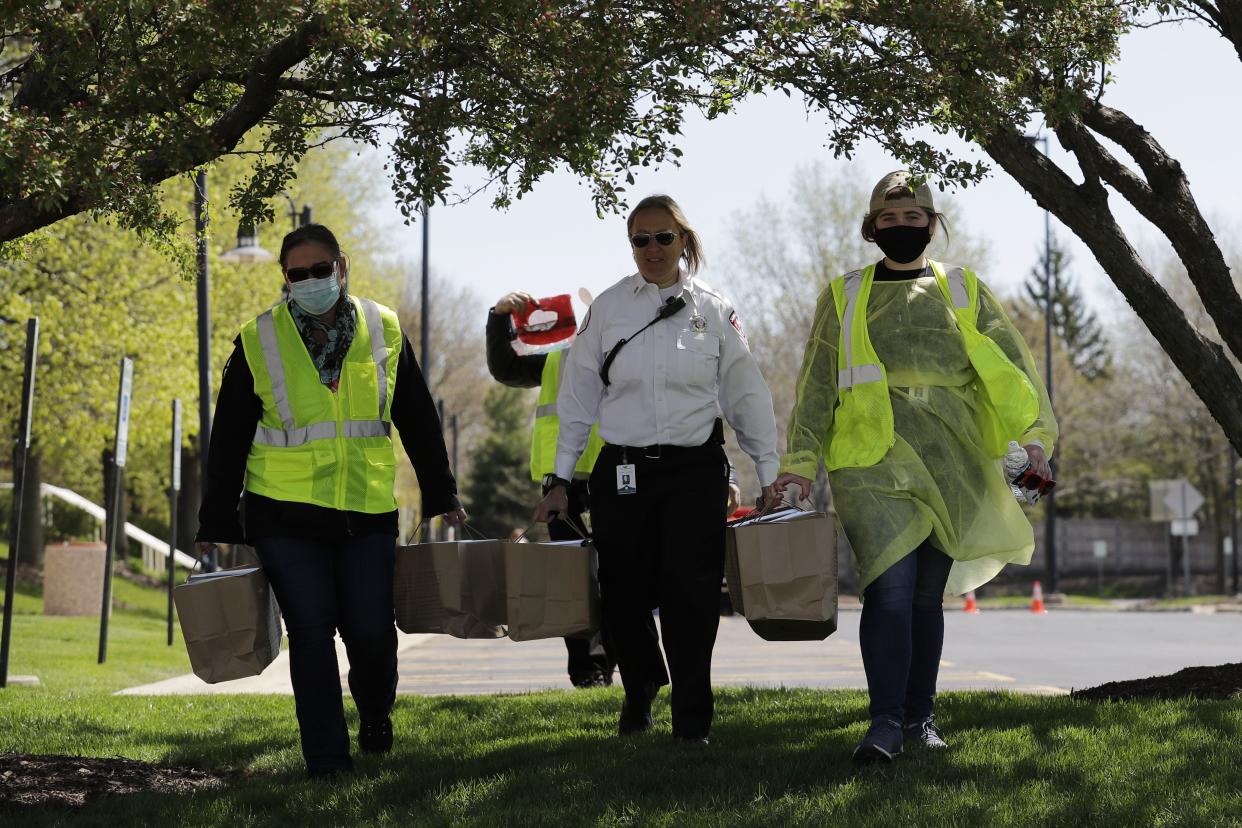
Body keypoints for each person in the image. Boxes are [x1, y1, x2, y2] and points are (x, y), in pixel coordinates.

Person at [772, 171, 1057, 763]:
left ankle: (920, 719)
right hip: (869, 462)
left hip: (952, 458)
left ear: (932, 224)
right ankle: (884, 722)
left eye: (913, 218)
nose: (901, 227)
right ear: (872, 227)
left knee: (926, 597)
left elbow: (1013, 372)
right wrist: (799, 464)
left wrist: (1032, 441)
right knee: (889, 591)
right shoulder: (845, 294)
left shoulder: (963, 289)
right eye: (888, 219)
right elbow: (817, 386)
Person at [195, 224, 464, 778]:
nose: (312, 281)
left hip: (365, 511)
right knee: (312, 634)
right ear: (285, 280)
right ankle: (326, 760)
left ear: (341, 268)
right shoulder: (258, 339)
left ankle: (374, 712)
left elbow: (416, 415)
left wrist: (441, 492)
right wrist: (216, 517)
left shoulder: (382, 326)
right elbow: (228, 437)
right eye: (299, 274)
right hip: (283, 514)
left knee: (370, 631)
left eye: (322, 270)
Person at [534, 194, 781, 745]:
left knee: (691, 595)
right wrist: (560, 479)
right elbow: (577, 398)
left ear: (684, 241)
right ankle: (641, 686)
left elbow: (747, 397)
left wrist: (770, 473)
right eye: (639, 239)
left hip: (694, 470)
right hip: (621, 472)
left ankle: (692, 719)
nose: (651, 249)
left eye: (663, 237)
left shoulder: (714, 310)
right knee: (622, 592)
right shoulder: (610, 308)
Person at [485, 289, 616, 688]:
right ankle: (589, 671)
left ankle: (618, 658)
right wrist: (498, 317)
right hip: (562, 489)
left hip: (615, 480)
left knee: (620, 576)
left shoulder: (626, 360)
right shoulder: (556, 361)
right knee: (573, 582)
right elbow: (506, 367)